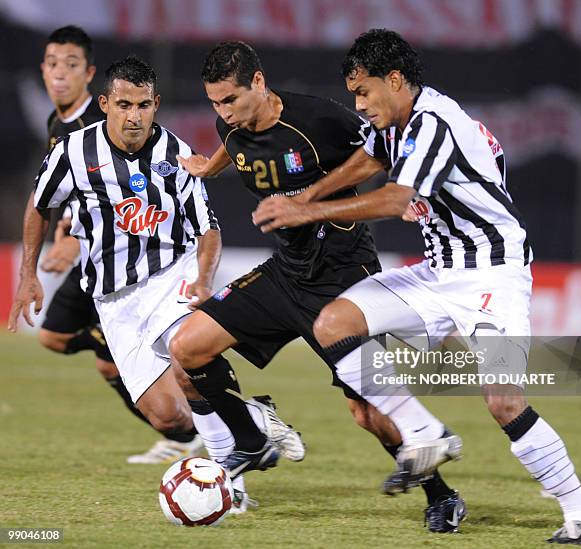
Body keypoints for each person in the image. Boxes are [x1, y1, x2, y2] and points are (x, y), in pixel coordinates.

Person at [253, 29, 581, 544]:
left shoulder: (433, 122)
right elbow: (371, 160)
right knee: (334, 323)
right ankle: (424, 432)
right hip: (437, 272)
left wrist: (307, 208)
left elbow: (398, 198)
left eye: (364, 92)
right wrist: (309, 192)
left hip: (492, 273)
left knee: (504, 401)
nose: (358, 104)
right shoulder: (397, 123)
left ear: (395, 81)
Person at [171, 40, 463, 530]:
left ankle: (442, 494)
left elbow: (384, 148)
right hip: (287, 271)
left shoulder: (319, 120)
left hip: (344, 275)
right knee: (188, 348)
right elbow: (233, 143)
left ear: (259, 83)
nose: (223, 113)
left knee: (367, 413)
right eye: (215, 103)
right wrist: (208, 166)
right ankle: (252, 441)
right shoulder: (232, 124)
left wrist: (409, 196)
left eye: (231, 101)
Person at [8, 55, 302, 512]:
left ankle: (231, 479)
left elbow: (208, 229)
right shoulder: (72, 151)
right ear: (105, 103)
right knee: (167, 416)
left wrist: (203, 281)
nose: (134, 116)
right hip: (113, 299)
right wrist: (28, 272)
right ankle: (249, 417)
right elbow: (39, 205)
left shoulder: (176, 155)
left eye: (143, 105)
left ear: (155, 104)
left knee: (189, 367)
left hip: (172, 276)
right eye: (124, 104)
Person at [35, 25, 204, 464]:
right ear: (43, 69)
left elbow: (119, 190)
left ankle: (219, 433)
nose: (60, 74)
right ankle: (184, 432)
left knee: (73, 345)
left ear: (89, 76)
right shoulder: (61, 126)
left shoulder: (106, 122)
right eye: (53, 64)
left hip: (138, 261)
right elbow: (66, 189)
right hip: (104, 270)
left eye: (71, 65)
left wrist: (73, 238)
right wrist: (64, 226)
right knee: (70, 346)